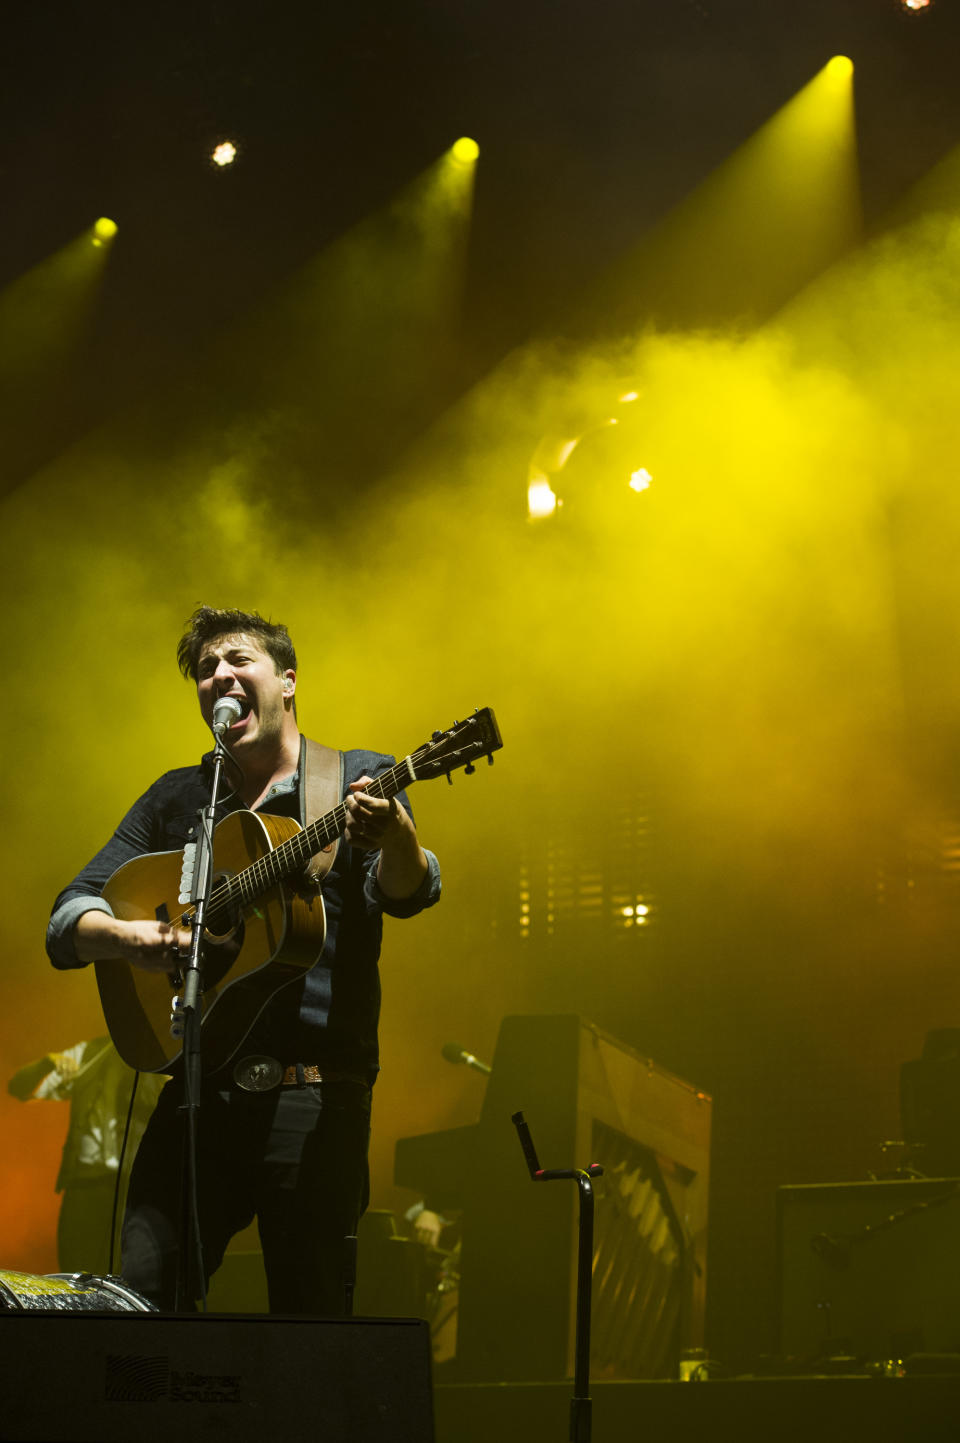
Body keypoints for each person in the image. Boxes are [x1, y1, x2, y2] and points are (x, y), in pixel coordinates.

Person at [46, 605, 441, 1313]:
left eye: (237, 661)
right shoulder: (178, 797)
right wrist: (142, 940)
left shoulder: (355, 779)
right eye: (206, 669)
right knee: (141, 1306)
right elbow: (69, 916)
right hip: (199, 1096)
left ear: (287, 681)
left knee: (308, 1322)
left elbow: (410, 892)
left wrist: (397, 837)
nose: (220, 676)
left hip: (315, 1097)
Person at [8, 1037, 166, 1274]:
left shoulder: (161, 1057)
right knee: (75, 1271)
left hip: (137, 1191)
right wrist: (48, 1062)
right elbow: (19, 1088)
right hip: (86, 1185)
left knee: (133, 1273)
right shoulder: (89, 1053)